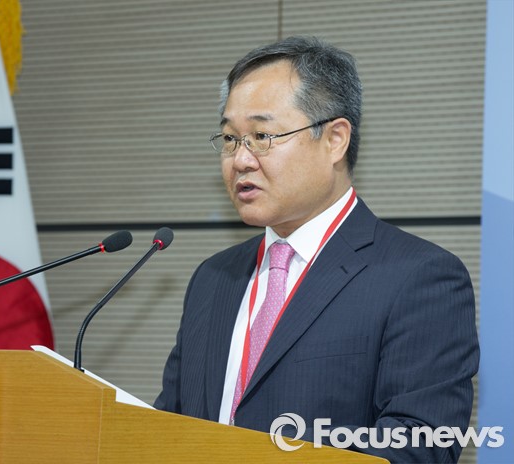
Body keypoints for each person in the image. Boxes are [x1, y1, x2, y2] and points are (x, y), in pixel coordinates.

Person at [154, 36, 479, 463]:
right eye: (230, 138)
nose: (240, 160)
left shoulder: (419, 276)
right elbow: (169, 425)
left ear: (335, 140)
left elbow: (419, 445)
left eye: (262, 135)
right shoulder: (213, 277)